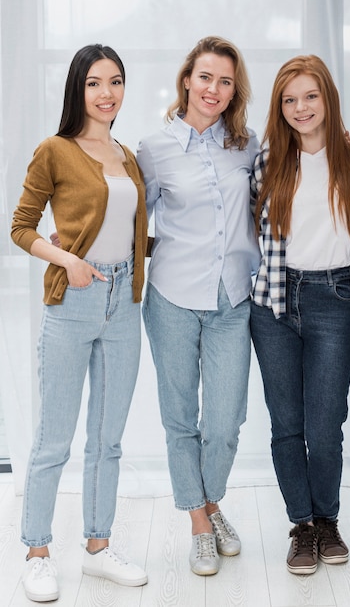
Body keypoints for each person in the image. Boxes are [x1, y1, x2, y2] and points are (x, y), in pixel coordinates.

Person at [11, 44, 149, 602]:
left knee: (108, 440)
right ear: (78, 89)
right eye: (95, 83)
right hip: (73, 300)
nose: (107, 93)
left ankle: (97, 547)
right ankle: (38, 552)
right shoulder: (56, 150)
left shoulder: (127, 154)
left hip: (125, 303)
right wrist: (68, 259)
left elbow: (134, 228)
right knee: (53, 439)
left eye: (116, 82)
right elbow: (21, 226)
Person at [136, 36, 260, 576]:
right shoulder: (154, 148)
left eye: (225, 81)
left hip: (233, 296)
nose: (214, 89)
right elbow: (133, 221)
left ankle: (209, 504)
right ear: (187, 79)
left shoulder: (249, 144)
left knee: (227, 420)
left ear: (235, 91)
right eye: (205, 77)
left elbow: (294, 169)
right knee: (180, 419)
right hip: (172, 299)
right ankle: (201, 524)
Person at [250, 55, 350, 575]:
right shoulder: (269, 158)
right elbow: (242, 228)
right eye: (289, 99)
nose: (300, 107)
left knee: (326, 425)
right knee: (286, 424)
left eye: (310, 96)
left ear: (328, 99)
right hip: (274, 303)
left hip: (334, 300)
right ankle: (302, 525)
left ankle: (327, 519)